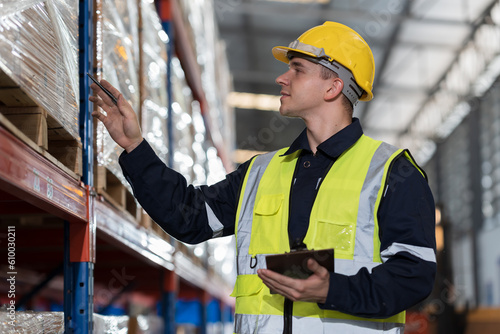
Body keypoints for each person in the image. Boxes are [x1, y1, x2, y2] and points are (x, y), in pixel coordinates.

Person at [90, 21, 436, 334]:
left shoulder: (392, 171)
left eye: (297, 70)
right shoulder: (260, 172)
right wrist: (135, 147)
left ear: (333, 87)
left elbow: (414, 276)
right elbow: (189, 217)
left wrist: (333, 290)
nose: (281, 78)